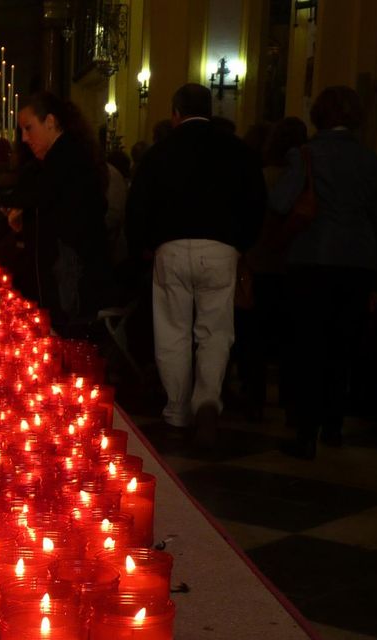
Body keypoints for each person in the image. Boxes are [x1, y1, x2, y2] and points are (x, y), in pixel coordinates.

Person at [125, 83, 266, 447]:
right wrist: (242, 245)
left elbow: (137, 204)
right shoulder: (236, 151)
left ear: (175, 113)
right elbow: (256, 202)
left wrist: (141, 245)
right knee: (216, 332)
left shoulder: (159, 152)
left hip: (170, 248)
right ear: (212, 108)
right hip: (221, 248)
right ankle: (207, 402)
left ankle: (176, 410)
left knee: (172, 331)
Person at [269, 85, 377, 459]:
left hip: (312, 259)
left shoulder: (306, 155)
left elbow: (279, 201)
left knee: (309, 346)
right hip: (358, 262)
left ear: (319, 115)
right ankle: (334, 426)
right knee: (343, 346)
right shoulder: (372, 161)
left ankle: (305, 433)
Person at [12, 92, 111, 336]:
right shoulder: (52, 161)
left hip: (70, 277)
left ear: (50, 121)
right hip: (61, 276)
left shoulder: (68, 158)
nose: (24, 138)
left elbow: (51, 202)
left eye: (28, 128)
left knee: (69, 340)